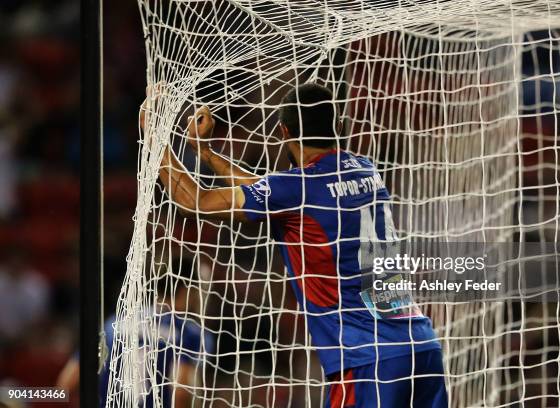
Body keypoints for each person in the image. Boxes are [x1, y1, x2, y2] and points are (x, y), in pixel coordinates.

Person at [153, 83, 447, 407]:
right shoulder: (365, 168)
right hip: (421, 348)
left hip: (369, 361)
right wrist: (206, 153)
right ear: (335, 125)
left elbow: (196, 201)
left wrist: (156, 135)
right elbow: (269, 191)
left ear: (283, 131)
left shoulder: (296, 189)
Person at [57, 259, 214, 407]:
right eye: (202, 290)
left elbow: (67, 382)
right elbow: (180, 393)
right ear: (188, 291)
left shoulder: (114, 323)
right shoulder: (189, 332)